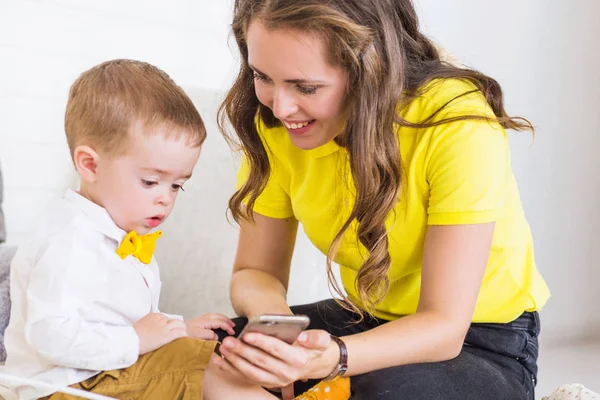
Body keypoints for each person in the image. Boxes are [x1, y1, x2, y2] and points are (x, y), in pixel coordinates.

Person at [213, 1, 551, 399]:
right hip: (365, 319)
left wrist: (334, 357)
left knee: (383, 390)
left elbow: (444, 327)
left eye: (306, 87)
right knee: (220, 351)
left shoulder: (457, 124)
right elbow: (254, 271)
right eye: (262, 76)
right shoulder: (275, 124)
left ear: (370, 71)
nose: (281, 107)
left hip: (480, 341)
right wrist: (280, 334)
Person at [3, 59, 241, 400]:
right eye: (150, 181)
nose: (165, 199)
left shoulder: (125, 231)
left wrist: (177, 329)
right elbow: (49, 334)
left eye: (177, 186)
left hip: (102, 373)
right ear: (90, 165)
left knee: (212, 357)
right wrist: (137, 340)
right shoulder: (68, 240)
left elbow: (124, 318)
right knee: (201, 367)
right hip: (60, 387)